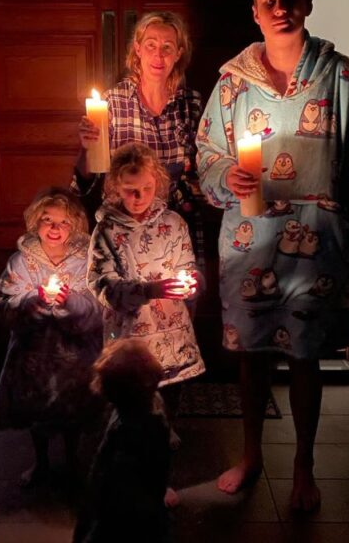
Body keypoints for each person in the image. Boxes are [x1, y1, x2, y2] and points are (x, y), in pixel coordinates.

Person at [195, 0, 349, 511]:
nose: (280, 8)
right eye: (269, 0)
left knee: (304, 357)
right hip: (250, 245)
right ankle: (251, 454)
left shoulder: (342, 75)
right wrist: (230, 174)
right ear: (255, 10)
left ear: (307, 2)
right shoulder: (232, 84)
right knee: (251, 355)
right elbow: (206, 153)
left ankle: (304, 464)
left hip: (315, 246)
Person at [87, 142, 204, 507]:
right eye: (129, 190)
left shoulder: (173, 224)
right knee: (125, 416)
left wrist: (191, 283)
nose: (139, 198)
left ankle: (158, 480)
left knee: (165, 420)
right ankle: (119, 481)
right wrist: (148, 288)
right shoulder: (106, 229)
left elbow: (188, 266)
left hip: (171, 336)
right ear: (114, 188)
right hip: (129, 342)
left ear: (158, 185)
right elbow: (100, 283)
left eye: (146, 189)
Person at [73, 11, 206, 273]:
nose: (158, 55)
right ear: (138, 49)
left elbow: (203, 169)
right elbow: (85, 183)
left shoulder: (192, 103)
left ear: (178, 53)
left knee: (175, 304)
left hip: (176, 230)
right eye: (151, 45)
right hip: (125, 232)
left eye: (167, 47)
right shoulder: (112, 102)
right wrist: (88, 148)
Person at [0, 187, 103, 485]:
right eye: (48, 219)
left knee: (73, 409)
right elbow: (0, 303)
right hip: (33, 356)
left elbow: (98, 306)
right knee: (38, 411)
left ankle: (72, 459)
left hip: (74, 356)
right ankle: (40, 461)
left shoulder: (86, 262)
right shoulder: (21, 262)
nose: (55, 228)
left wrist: (72, 303)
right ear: (35, 222)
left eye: (64, 222)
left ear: (75, 226)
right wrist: (29, 303)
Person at [72, 337, 172, 543]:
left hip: (120, 510)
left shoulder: (127, 428)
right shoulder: (154, 403)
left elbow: (107, 476)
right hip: (149, 502)